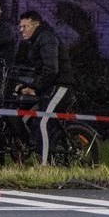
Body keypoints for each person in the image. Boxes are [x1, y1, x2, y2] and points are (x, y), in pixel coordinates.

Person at [14, 10, 76, 164]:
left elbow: (51, 70)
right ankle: (26, 155)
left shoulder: (47, 38)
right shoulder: (37, 40)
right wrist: (26, 84)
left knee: (43, 121)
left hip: (61, 87)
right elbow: (40, 71)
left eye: (25, 26)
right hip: (49, 87)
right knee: (26, 117)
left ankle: (44, 165)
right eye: (20, 27)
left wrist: (35, 87)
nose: (21, 30)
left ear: (36, 24)